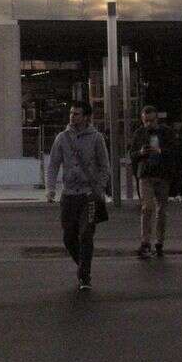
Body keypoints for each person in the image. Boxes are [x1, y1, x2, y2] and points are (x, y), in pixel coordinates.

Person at [46, 101, 111, 290]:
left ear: (86, 117)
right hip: (68, 195)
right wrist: (50, 189)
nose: (72, 117)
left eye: (77, 114)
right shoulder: (62, 138)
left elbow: (104, 165)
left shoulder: (96, 138)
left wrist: (98, 188)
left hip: (88, 195)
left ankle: (84, 276)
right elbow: (53, 165)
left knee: (86, 234)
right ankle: (83, 265)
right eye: (71, 113)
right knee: (68, 237)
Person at [128, 105, 175, 259]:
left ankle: (159, 242)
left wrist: (160, 151)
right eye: (145, 121)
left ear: (157, 119)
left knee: (161, 210)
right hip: (146, 174)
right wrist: (141, 152)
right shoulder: (139, 133)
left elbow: (175, 151)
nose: (148, 124)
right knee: (147, 208)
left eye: (151, 121)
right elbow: (132, 154)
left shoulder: (166, 132)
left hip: (162, 174)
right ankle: (145, 242)